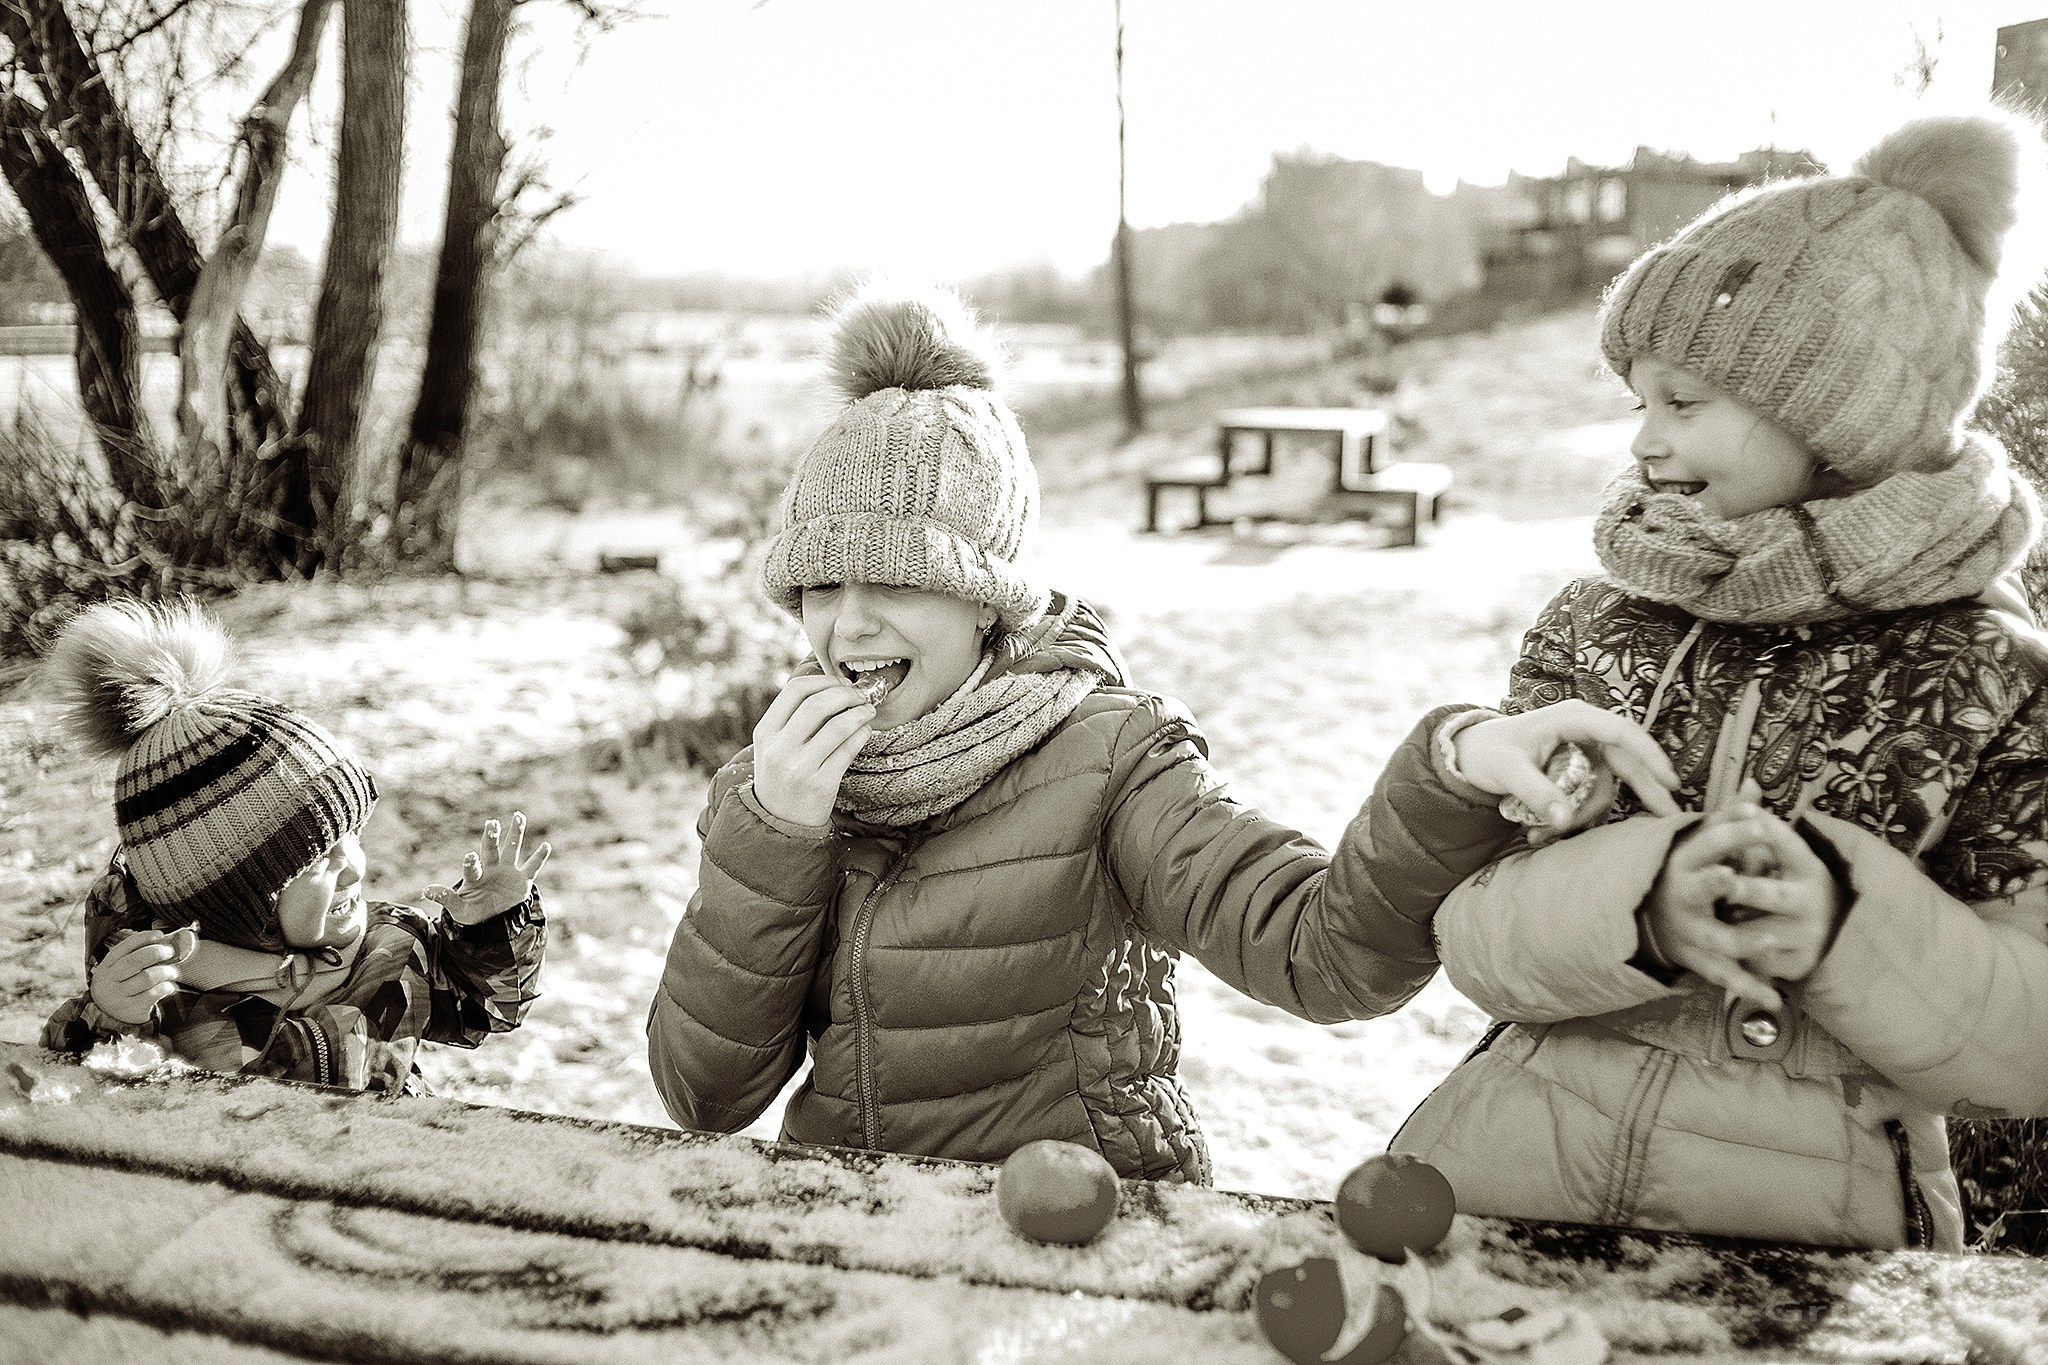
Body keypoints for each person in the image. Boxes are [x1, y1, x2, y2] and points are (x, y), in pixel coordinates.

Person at [645, 281, 1680, 1181]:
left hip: (1083, 1235)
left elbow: (1326, 958)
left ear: (987, 602)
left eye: (895, 581)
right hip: (857, 1239)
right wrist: (775, 838)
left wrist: (1449, 774)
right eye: (819, 586)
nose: (846, 625)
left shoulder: (1108, 758)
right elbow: (706, 1098)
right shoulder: (780, 784)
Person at [1389, 109, 2048, 1251]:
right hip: (1509, 1177)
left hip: (1813, 1239)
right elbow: (1474, 942)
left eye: (1684, 402)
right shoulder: (1601, 624)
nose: (1641, 444)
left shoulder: (1988, 677)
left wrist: (1845, 924)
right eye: (1636, 400)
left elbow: (2024, 1050)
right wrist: (1635, 904)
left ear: (1841, 416)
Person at [39, 598, 550, 1094]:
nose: (353, 867)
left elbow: (482, 1008)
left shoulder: (389, 950)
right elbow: (80, 1094)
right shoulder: (154, 997)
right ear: (235, 906)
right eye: (317, 860)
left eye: (351, 837)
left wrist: (492, 929)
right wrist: (109, 1019)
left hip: (386, 1165)